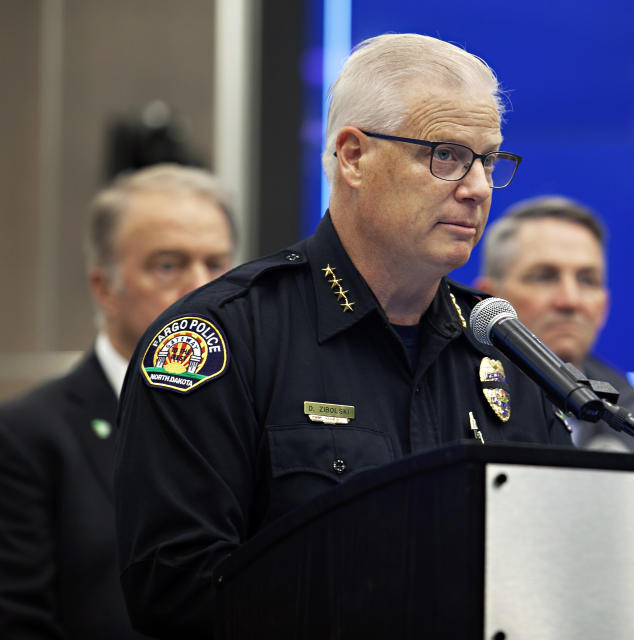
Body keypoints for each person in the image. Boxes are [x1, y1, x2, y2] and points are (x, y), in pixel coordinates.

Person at [114, 33, 572, 638]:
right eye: (446, 156)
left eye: (488, 159)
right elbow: (176, 592)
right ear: (352, 157)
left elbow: (559, 578)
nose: (479, 187)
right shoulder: (224, 339)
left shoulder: (504, 353)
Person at [0, 164, 236, 639]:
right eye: (167, 265)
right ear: (105, 288)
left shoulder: (253, 418)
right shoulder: (29, 436)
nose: (199, 287)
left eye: (215, 264)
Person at [474, 195, 634, 454]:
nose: (570, 301)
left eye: (587, 280)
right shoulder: (454, 407)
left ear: (604, 305)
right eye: (544, 277)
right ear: (490, 297)